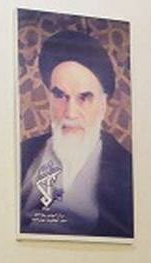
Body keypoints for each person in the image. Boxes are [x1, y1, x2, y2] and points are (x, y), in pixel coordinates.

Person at [20, 29, 132, 238]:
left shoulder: (126, 169)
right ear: (49, 97)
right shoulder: (23, 154)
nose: (70, 113)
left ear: (103, 104)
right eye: (60, 95)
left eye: (84, 98)